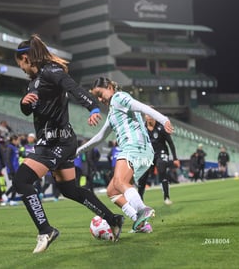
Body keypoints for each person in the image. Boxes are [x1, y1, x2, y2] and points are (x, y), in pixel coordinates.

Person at [13, 34, 124, 253]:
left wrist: (92, 107)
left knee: (22, 181)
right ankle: (113, 219)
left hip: (58, 141)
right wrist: (23, 104)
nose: (20, 67)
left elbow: (73, 88)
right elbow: (29, 110)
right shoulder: (33, 83)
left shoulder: (51, 72)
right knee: (70, 190)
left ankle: (45, 230)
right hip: (53, 142)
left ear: (25, 58)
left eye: (19, 62)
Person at [77, 77, 174, 234]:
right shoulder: (113, 111)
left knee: (120, 181)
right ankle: (140, 223)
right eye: (97, 98)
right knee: (112, 191)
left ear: (109, 87)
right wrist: (78, 151)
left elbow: (143, 107)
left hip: (134, 147)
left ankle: (142, 209)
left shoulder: (119, 98)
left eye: (101, 94)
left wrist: (164, 120)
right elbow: (100, 137)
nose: (100, 99)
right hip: (139, 151)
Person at [138, 112, 180, 205]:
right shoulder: (142, 128)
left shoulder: (161, 128)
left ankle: (166, 197)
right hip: (148, 155)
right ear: (145, 117)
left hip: (161, 153)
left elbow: (170, 143)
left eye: (151, 115)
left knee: (162, 169)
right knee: (143, 176)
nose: (149, 117)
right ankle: (139, 200)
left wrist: (175, 158)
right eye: (147, 115)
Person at [2, 135, 20, 206]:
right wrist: (11, 169)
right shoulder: (10, 148)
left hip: (16, 169)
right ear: (13, 140)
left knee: (16, 184)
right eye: (17, 140)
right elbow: (8, 159)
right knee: (16, 184)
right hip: (12, 169)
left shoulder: (15, 147)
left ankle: (9, 198)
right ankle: (7, 196)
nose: (18, 141)